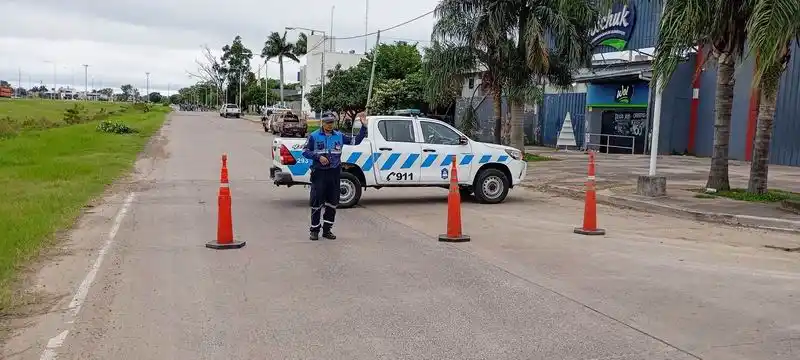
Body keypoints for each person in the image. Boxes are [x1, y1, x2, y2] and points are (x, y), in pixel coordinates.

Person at [302, 112, 368, 240]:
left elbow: (355, 141)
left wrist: (364, 127)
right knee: (317, 203)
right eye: (327, 122)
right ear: (322, 123)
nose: (330, 125)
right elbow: (305, 151)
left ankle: (327, 230)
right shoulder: (314, 136)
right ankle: (314, 231)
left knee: (332, 203)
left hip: (334, 173)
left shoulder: (339, 136)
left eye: (332, 122)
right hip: (319, 173)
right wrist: (318, 157)